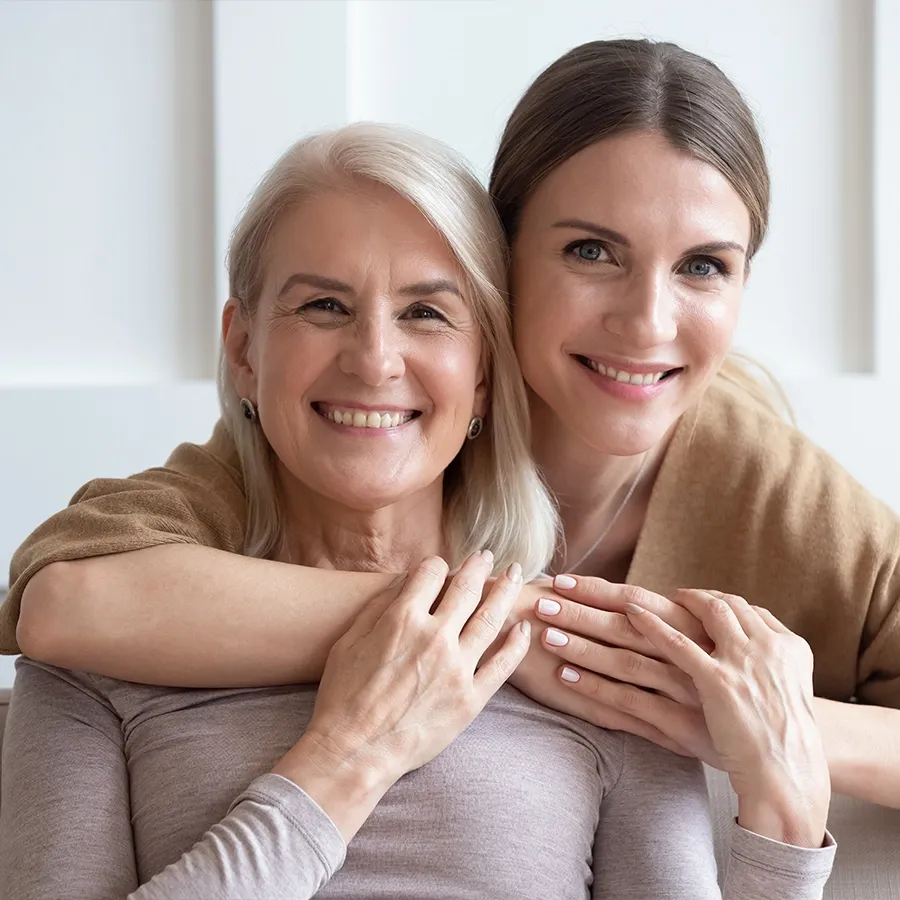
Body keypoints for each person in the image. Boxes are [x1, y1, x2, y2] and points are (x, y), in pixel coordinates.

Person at [6, 39, 897, 810]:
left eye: (705, 266)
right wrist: (475, 623)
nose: (648, 322)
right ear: (496, 266)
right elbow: (66, 600)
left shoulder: (778, 493)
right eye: (591, 250)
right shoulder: (374, 442)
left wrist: (766, 722)